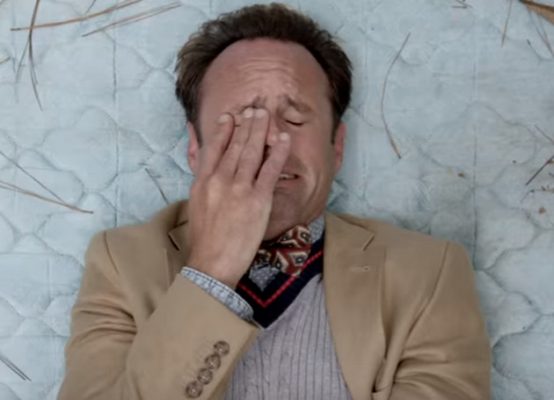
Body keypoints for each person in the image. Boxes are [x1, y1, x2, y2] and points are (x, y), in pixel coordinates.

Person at [58, 3, 491, 400]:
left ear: (337, 146)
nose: (269, 141)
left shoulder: (430, 273)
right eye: (241, 119)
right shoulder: (120, 263)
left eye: (295, 118)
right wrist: (211, 272)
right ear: (194, 148)